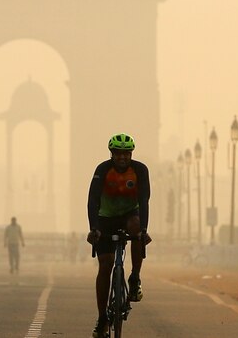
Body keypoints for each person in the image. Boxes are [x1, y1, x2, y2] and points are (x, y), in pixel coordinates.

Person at [86, 133, 151, 338]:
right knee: (105, 265)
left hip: (129, 215)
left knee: (136, 228)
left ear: (131, 154)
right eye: (118, 153)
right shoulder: (102, 170)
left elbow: (144, 200)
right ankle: (102, 318)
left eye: (126, 153)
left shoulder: (140, 170)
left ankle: (134, 277)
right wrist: (94, 228)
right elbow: (93, 200)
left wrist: (143, 230)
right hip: (106, 218)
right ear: (111, 154)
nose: (122, 157)